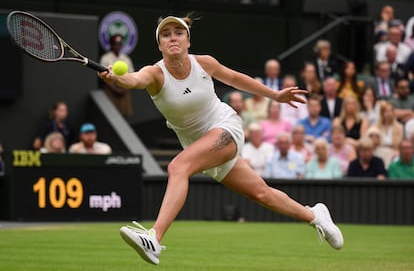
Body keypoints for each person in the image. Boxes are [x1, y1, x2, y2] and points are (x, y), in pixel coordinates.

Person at [99, 15, 343, 264]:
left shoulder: (204, 63)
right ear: (160, 45)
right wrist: (119, 78)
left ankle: (155, 237)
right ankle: (315, 215)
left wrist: (275, 95)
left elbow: (236, 79)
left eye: (178, 33)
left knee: (177, 167)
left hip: (226, 127)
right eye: (166, 34)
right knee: (262, 194)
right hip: (202, 147)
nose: (173, 37)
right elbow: (134, 79)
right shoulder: (154, 73)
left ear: (188, 40)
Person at [100, 34, 135, 118]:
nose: (118, 46)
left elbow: (131, 75)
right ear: (111, 45)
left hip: (124, 90)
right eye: (116, 44)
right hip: (110, 91)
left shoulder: (126, 58)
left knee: (126, 116)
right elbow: (103, 76)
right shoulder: (105, 58)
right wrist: (115, 89)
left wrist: (124, 89)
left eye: (119, 44)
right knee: (110, 116)